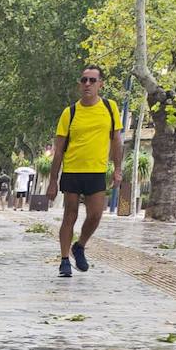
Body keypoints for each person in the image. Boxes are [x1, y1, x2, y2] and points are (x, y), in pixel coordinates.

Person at [46, 64, 122, 277]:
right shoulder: (69, 113)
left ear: (100, 84)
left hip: (96, 171)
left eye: (92, 80)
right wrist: (53, 181)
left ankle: (79, 246)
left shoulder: (110, 108)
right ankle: (64, 260)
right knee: (70, 215)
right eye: (84, 80)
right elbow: (58, 150)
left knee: (95, 215)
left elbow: (116, 141)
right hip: (72, 170)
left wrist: (118, 169)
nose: (87, 84)